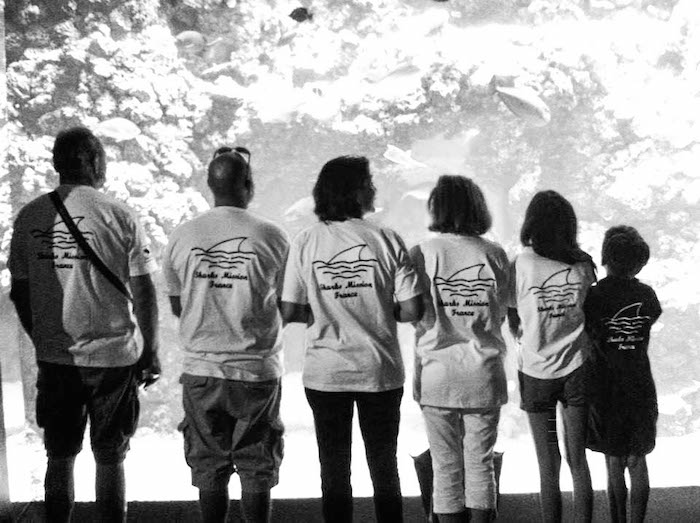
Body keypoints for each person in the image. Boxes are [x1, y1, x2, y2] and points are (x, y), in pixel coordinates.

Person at [8, 126, 160, 523]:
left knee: (59, 455)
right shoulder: (120, 214)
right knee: (110, 457)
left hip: (57, 358)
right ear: (94, 162)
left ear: (57, 163)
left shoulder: (30, 217)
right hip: (114, 358)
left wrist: (43, 337)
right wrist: (150, 350)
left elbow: (20, 292)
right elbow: (144, 291)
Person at [280, 156, 423, 523]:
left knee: (333, 470)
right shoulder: (387, 238)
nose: (373, 189)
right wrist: (379, 309)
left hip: (326, 374)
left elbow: (290, 309)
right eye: (368, 182)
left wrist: (323, 310)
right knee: (384, 468)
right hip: (379, 371)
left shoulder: (306, 240)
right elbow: (412, 310)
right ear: (355, 191)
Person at [162, 147, 288, 523]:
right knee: (257, 465)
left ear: (209, 185)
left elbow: (177, 304)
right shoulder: (272, 236)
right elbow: (287, 302)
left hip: (201, 371)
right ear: (248, 184)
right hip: (256, 372)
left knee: (208, 465)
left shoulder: (182, 236)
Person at [411, 175, 509, 523]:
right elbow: (502, 313)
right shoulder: (495, 254)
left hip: (437, 372)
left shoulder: (422, 253)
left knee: (445, 468)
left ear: (436, 207)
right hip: (484, 372)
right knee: (481, 464)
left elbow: (417, 318)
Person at [507, 190, 595, 523]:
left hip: (536, 373)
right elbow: (588, 310)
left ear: (531, 223)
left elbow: (512, 315)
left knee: (548, 465)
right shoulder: (583, 264)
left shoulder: (521, 264)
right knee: (578, 460)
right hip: (577, 371)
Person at [584, 226, 661, 523]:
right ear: (640, 262)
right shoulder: (647, 295)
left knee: (613, 461)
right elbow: (651, 316)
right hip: (640, 384)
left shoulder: (594, 296)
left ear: (606, 257)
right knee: (638, 459)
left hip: (605, 388)